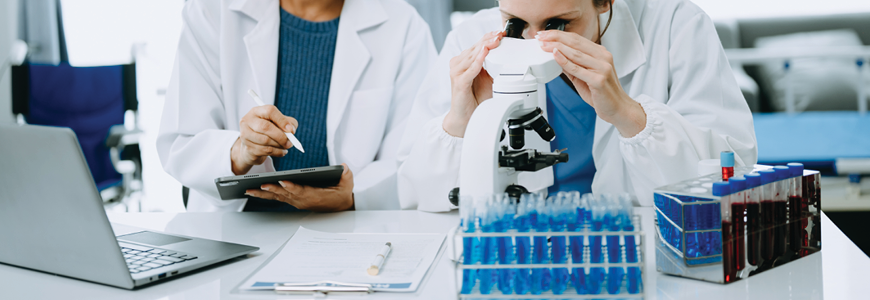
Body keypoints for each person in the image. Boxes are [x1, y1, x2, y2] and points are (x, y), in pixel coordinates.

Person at [396, 0, 757, 211]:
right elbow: (415, 194)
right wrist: (463, 119)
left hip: (634, 250)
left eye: (559, 24)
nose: (536, 42)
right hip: (521, 252)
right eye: (515, 24)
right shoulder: (469, 38)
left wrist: (629, 114)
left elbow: (729, 180)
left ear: (604, 3)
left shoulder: (677, 25)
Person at [158, 0, 436, 212]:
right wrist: (239, 152)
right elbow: (181, 141)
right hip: (230, 233)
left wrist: (355, 196)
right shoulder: (214, 10)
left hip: (346, 234)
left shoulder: (404, 26)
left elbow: (413, 157)